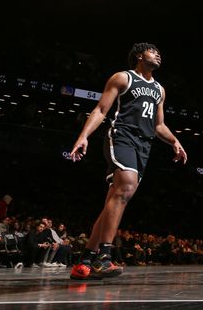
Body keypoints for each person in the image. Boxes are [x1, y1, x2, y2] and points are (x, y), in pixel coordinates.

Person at [68, 43, 188, 280]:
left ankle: (84, 261)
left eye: (159, 52)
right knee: (125, 189)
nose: (158, 54)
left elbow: (159, 125)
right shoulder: (123, 78)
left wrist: (175, 141)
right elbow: (102, 110)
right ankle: (104, 257)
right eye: (153, 51)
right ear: (139, 56)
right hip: (122, 135)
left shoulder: (159, 90)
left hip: (144, 144)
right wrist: (83, 137)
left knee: (115, 199)